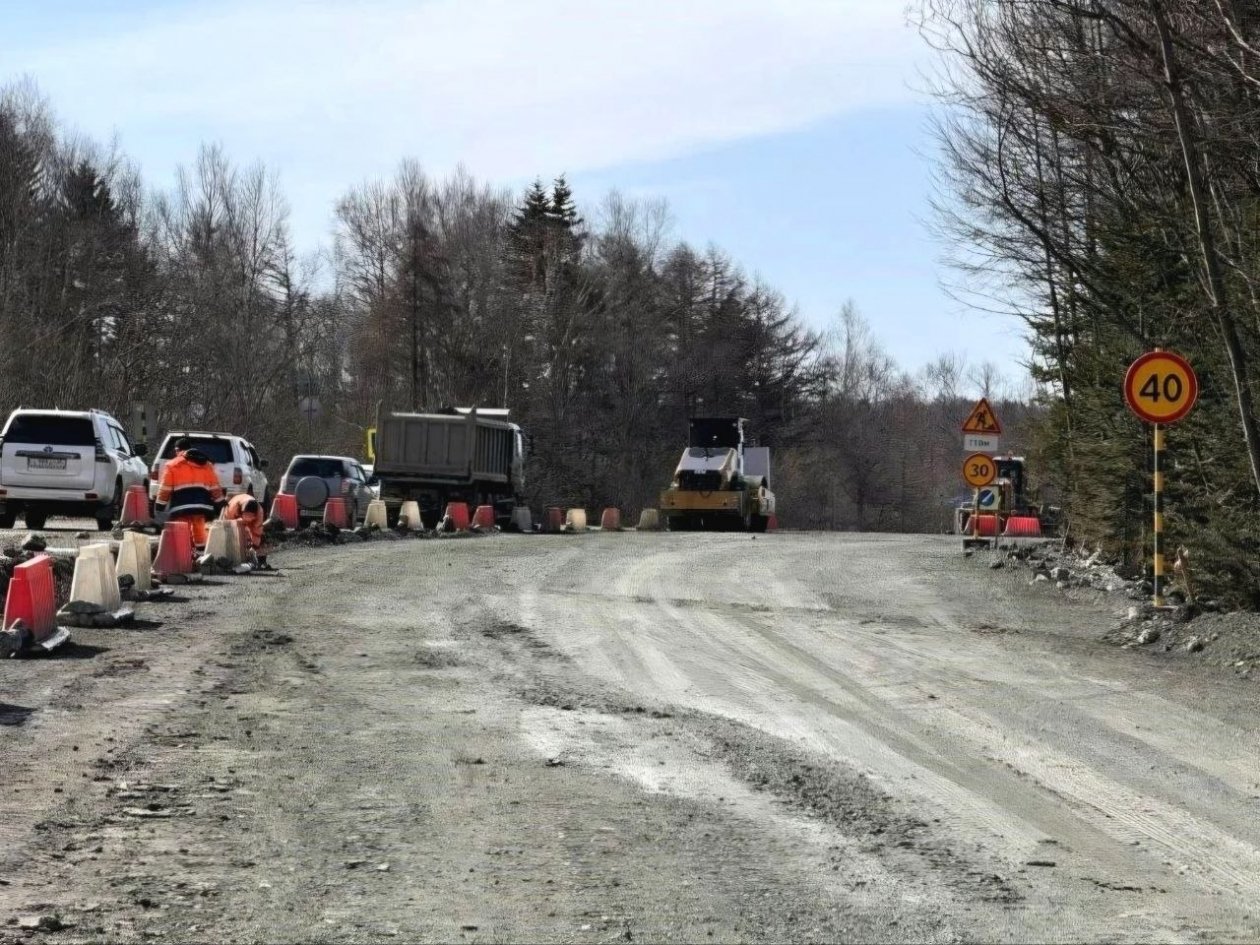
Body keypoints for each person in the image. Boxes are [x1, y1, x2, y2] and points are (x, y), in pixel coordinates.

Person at [154, 438, 223, 548]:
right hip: (201, 506)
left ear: (177, 450)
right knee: (199, 531)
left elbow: (165, 489)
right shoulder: (207, 465)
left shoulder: (172, 465)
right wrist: (220, 503)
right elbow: (215, 487)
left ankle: (183, 554)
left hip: (180, 506)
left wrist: (159, 506)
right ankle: (200, 556)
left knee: (181, 531)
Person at [223, 493, 272, 569]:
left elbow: (257, 532)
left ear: (255, 515)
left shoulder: (260, 513)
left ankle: (261, 561)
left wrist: (254, 547)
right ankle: (229, 559)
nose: (248, 520)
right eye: (246, 516)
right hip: (233, 516)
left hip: (246, 515)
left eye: (250, 516)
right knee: (229, 535)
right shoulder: (232, 508)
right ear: (242, 512)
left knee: (261, 536)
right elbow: (226, 525)